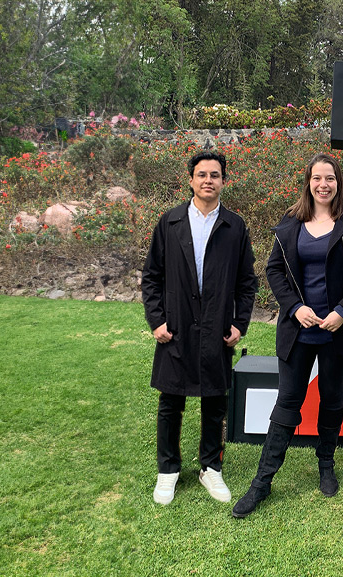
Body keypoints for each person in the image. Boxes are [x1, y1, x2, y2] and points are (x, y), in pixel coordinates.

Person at [232, 153, 343, 518]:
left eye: (330, 178)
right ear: (308, 182)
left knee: (331, 400)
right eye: (317, 178)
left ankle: (325, 464)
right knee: (287, 403)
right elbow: (274, 270)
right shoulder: (291, 222)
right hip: (298, 333)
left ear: (338, 183)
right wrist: (295, 307)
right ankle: (261, 484)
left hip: (336, 333)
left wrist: (342, 312)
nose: (323, 185)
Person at [141, 150, 258, 506]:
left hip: (217, 327)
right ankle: (168, 471)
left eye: (215, 175)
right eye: (202, 174)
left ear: (224, 181)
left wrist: (240, 324)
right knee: (170, 400)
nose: (209, 180)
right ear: (191, 180)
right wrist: (157, 320)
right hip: (175, 327)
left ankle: (211, 467)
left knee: (214, 401)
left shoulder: (235, 227)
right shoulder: (171, 222)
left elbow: (246, 282)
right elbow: (152, 277)